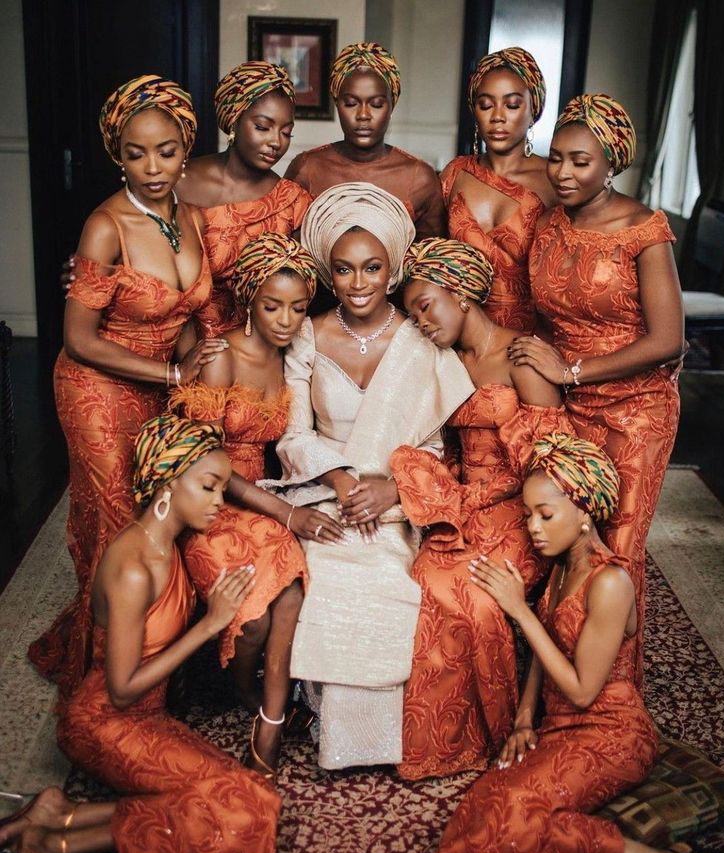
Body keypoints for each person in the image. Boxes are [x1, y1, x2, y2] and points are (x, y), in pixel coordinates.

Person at [431, 433, 724, 853]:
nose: (533, 527)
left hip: (613, 733)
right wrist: (526, 718)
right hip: (559, 727)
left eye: (545, 514)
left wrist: (519, 611)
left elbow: (581, 689)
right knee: (486, 807)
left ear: (586, 510)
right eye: (529, 513)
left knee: (521, 820)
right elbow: (549, 649)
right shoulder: (560, 568)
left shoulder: (610, 582)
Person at [0, 415, 280, 853]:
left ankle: (58, 816)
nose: (220, 500)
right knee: (243, 813)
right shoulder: (133, 567)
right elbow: (123, 688)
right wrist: (209, 625)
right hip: (103, 721)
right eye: (209, 486)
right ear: (168, 483)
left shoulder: (169, 543)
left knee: (252, 797)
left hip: (146, 718)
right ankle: (58, 840)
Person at [264, 184, 475, 769]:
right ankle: (333, 728)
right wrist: (338, 483)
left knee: (394, 577)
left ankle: (382, 738)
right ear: (329, 273)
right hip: (324, 490)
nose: (359, 282)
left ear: (393, 268)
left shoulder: (418, 339)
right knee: (328, 571)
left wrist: (394, 491)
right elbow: (293, 436)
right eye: (345, 269)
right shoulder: (307, 333)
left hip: (395, 497)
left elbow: (434, 445)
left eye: (373, 268)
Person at [29, 75, 226, 698]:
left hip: (161, 386)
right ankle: (105, 673)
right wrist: (175, 373)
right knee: (120, 526)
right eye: (135, 153)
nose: (152, 166)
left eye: (166, 150)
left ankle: (153, 651)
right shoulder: (104, 226)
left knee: (161, 519)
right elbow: (80, 338)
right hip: (94, 388)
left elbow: (190, 315)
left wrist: (202, 371)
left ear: (185, 147)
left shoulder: (191, 216)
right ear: (117, 154)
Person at [509, 93, 684, 686]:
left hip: (637, 412)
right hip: (569, 410)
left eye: (580, 161)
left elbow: (667, 341)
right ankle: (554, 688)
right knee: (563, 541)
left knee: (619, 548)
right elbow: (544, 319)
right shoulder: (548, 224)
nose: (562, 173)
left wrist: (571, 372)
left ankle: (609, 701)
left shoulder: (644, 230)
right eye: (556, 159)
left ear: (612, 162)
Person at [392, 237, 569, 780]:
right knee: (423, 578)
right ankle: (435, 738)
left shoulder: (522, 356)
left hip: (520, 508)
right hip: (461, 501)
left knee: (474, 590)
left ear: (462, 294)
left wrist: (493, 502)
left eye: (426, 306)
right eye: (412, 313)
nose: (420, 322)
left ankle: (491, 732)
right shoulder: (440, 361)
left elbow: (552, 461)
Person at [171, 233, 341, 778]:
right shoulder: (221, 358)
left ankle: (269, 717)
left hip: (264, 498)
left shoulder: (293, 358)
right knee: (252, 621)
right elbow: (204, 464)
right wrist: (288, 513)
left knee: (291, 593)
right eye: (272, 306)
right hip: (211, 505)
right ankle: (245, 691)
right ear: (248, 301)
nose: (286, 319)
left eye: (297, 307)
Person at [179, 61, 312, 337]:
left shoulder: (292, 202)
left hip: (256, 347)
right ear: (234, 121)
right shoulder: (178, 181)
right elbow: (127, 235)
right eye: (263, 127)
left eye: (286, 132)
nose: (276, 142)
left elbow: (299, 288)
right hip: (179, 342)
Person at [441, 47, 556, 332]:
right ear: (474, 111)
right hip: (460, 331)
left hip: (529, 337)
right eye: (486, 104)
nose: (498, 117)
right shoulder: (455, 173)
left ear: (534, 110)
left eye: (512, 105)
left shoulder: (555, 179)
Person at [285, 43, 444, 240]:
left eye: (376, 104)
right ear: (337, 104)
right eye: (351, 103)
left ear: (391, 105)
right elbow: (288, 255)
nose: (363, 115)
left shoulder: (420, 178)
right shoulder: (307, 168)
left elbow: (431, 262)